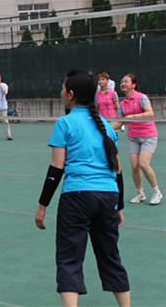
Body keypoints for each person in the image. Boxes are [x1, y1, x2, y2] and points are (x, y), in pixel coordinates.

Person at [34, 69, 129, 307]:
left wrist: (42, 205)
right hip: (108, 197)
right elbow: (117, 170)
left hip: (76, 198)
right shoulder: (107, 127)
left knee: (69, 260)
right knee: (111, 258)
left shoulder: (64, 123)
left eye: (63, 88)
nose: (61, 91)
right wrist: (119, 206)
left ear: (71, 94)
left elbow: (56, 169)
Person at [112, 74, 162, 205]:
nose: (123, 84)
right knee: (135, 167)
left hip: (148, 136)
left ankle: (156, 191)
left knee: (143, 164)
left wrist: (132, 117)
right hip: (133, 137)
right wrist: (105, 129)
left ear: (133, 85)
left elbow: (150, 113)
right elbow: (120, 122)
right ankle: (140, 192)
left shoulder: (142, 97)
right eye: (122, 82)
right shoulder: (123, 103)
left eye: (126, 82)